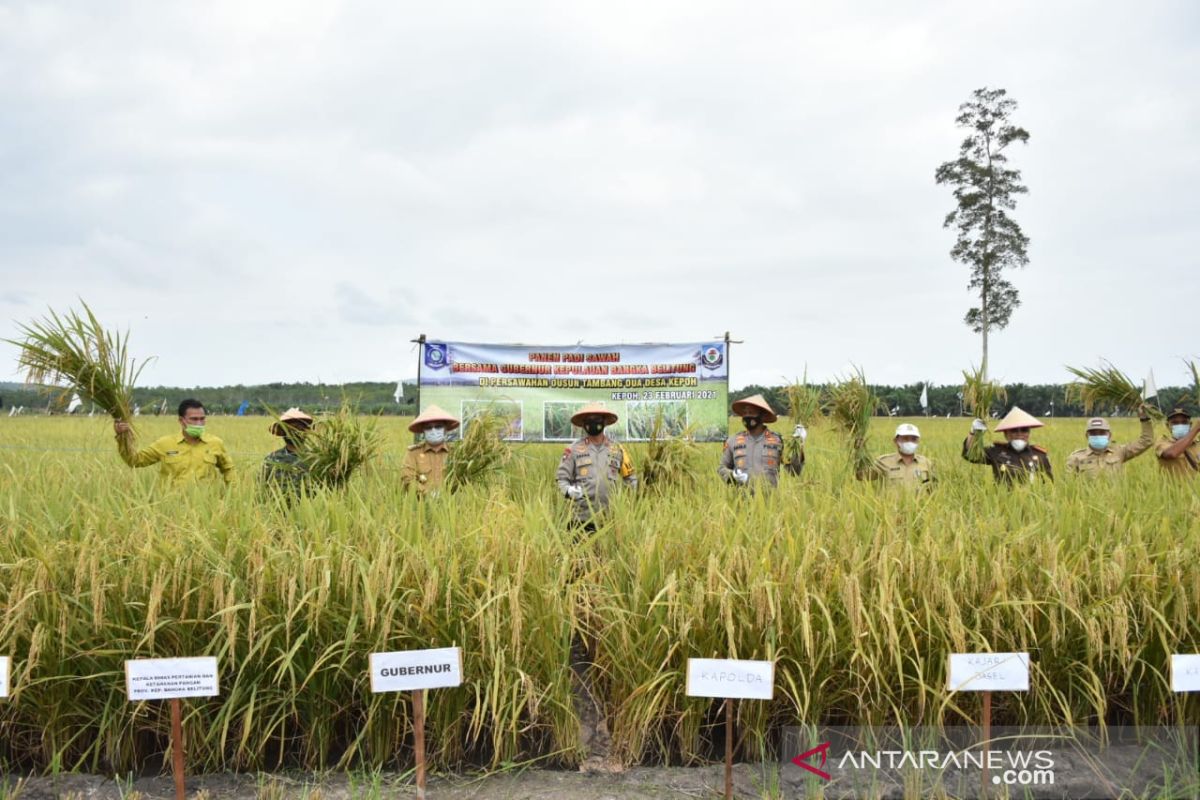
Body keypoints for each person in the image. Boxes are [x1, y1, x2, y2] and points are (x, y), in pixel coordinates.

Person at [114, 398, 235, 485]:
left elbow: (228, 469)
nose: (199, 423)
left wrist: (232, 495)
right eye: (194, 419)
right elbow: (135, 461)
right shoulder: (164, 444)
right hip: (172, 509)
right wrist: (122, 437)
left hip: (206, 509)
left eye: (202, 419)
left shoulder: (215, 443)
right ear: (181, 421)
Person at [556, 403, 636, 531]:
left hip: (611, 519)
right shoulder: (573, 450)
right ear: (583, 424)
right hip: (580, 519)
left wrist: (629, 503)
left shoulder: (617, 449)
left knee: (607, 551)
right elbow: (561, 480)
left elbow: (631, 479)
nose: (593, 424)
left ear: (604, 422)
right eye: (589, 420)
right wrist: (568, 490)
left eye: (597, 420)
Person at [718, 394, 799, 489]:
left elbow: (794, 471)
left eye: (751, 412)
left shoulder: (778, 441)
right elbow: (721, 468)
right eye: (745, 412)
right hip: (741, 500)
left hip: (771, 501)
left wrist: (799, 444)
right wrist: (732, 475)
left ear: (762, 415)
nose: (747, 416)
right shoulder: (733, 441)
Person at [962, 406, 1053, 485]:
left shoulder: (1040, 455)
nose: (1019, 433)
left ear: (1029, 433)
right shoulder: (996, 451)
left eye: (1024, 430)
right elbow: (971, 455)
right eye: (1014, 430)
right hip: (1002, 501)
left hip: (1031, 501)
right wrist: (974, 432)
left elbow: (1048, 483)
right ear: (1006, 433)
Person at [1065, 408, 1153, 477]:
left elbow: (1146, 441)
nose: (1097, 435)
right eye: (1093, 433)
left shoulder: (1119, 452)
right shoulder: (1075, 458)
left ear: (1109, 435)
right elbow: (1069, 487)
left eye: (1102, 432)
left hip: (1115, 499)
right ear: (1087, 436)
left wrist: (1144, 419)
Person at [401, 404, 459, 496]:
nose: (433, 430)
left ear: (445, 429)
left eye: (438, 426)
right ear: (423, 431)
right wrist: (427, 493)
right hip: (420, 504)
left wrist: (446, 495)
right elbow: (408, 479)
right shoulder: (413, 453)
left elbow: (465, 480)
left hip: (452, 503)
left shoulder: (456, 453)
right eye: (429, 428)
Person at [858, 422, 936, 488]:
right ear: (896, 440)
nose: (909, 442)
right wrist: (860, 451)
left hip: (919, 506)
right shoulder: (883, 462)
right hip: (890, 506)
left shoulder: (926, 463)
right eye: (905, 438)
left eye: (913, 439)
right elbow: (861, 476)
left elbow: (933, 488)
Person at [261, 407, 314, 495]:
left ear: (305, 432)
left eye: (299, 428)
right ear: (283, 432)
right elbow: (261, 490)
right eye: (289, 429)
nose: (294, 432)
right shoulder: (272, 459)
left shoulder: (316, 460)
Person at [1155, 407, 1200, 477]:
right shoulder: (1163, 441)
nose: (1180, 425)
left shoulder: (1197, 443)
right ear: (1168, 426)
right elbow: (1171, 454)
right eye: (1175, 423)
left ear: (1190, 425)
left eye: (1184, 422)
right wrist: (1196, 429)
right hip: (1172, 487)